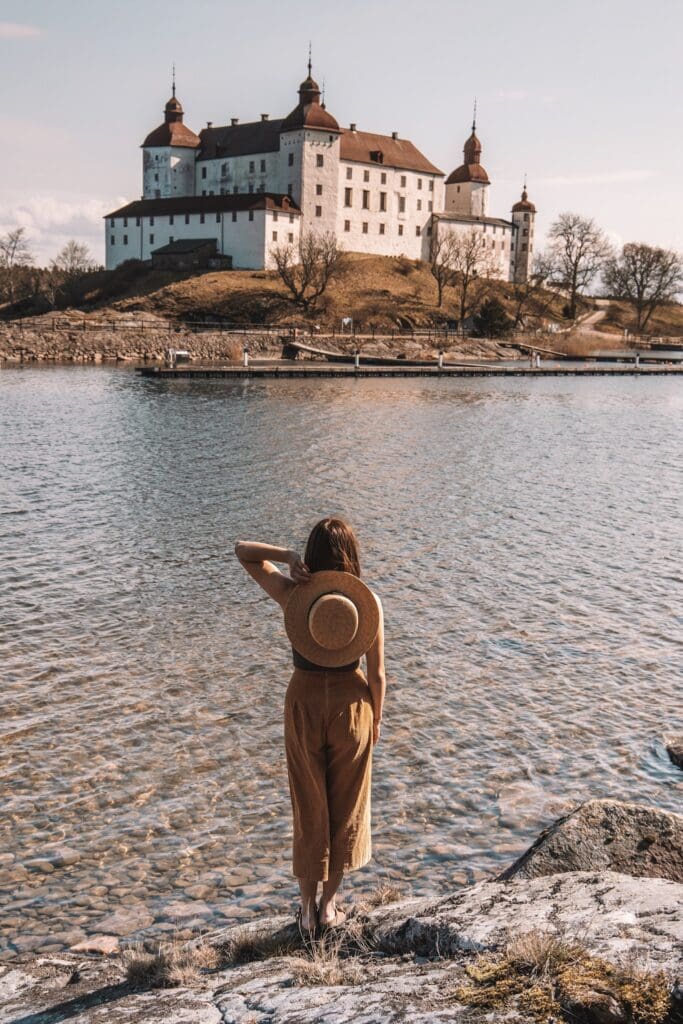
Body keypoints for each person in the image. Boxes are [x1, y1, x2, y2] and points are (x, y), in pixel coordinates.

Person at [234, 517, 385, 933]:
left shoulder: (294, 595)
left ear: (312, 553)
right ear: (352, 557)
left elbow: (242, 550)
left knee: (309, 805)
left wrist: (286, 556)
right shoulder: (367, 604)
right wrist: (376, 721)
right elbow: (377, 676)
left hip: (302, 702)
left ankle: (304, 909)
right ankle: (330, 906)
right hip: (353, 707)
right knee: (346, 808)